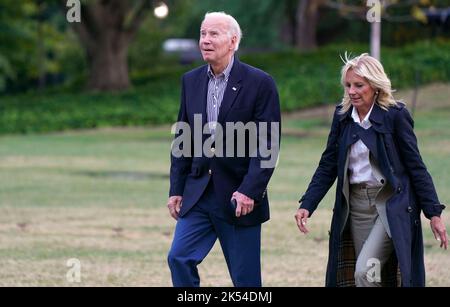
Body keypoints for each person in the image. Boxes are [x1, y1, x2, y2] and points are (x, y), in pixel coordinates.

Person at [295, 53, 447, 287]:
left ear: (375, 86)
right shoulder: (342, 116)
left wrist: (433, 212)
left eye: (359, 85)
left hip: (390, 206)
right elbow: (328, 164)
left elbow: (416, 167)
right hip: (355, 207)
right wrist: (308, 204)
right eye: (348, 86)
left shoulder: (396, 116)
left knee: (365, 273)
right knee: (374, 276)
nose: (352, 91)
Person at [167, 12, 281, 287]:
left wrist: (250, 190)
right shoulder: (190, 81)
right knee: (178, 258)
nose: (205, 40)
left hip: (238, 197)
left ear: (233, 42)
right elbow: (183, 138)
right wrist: (176, 189)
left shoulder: (260, 82)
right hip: (198, 194)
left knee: (246, 281)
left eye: (213, 34)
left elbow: (268, 144)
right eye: (203, 34)